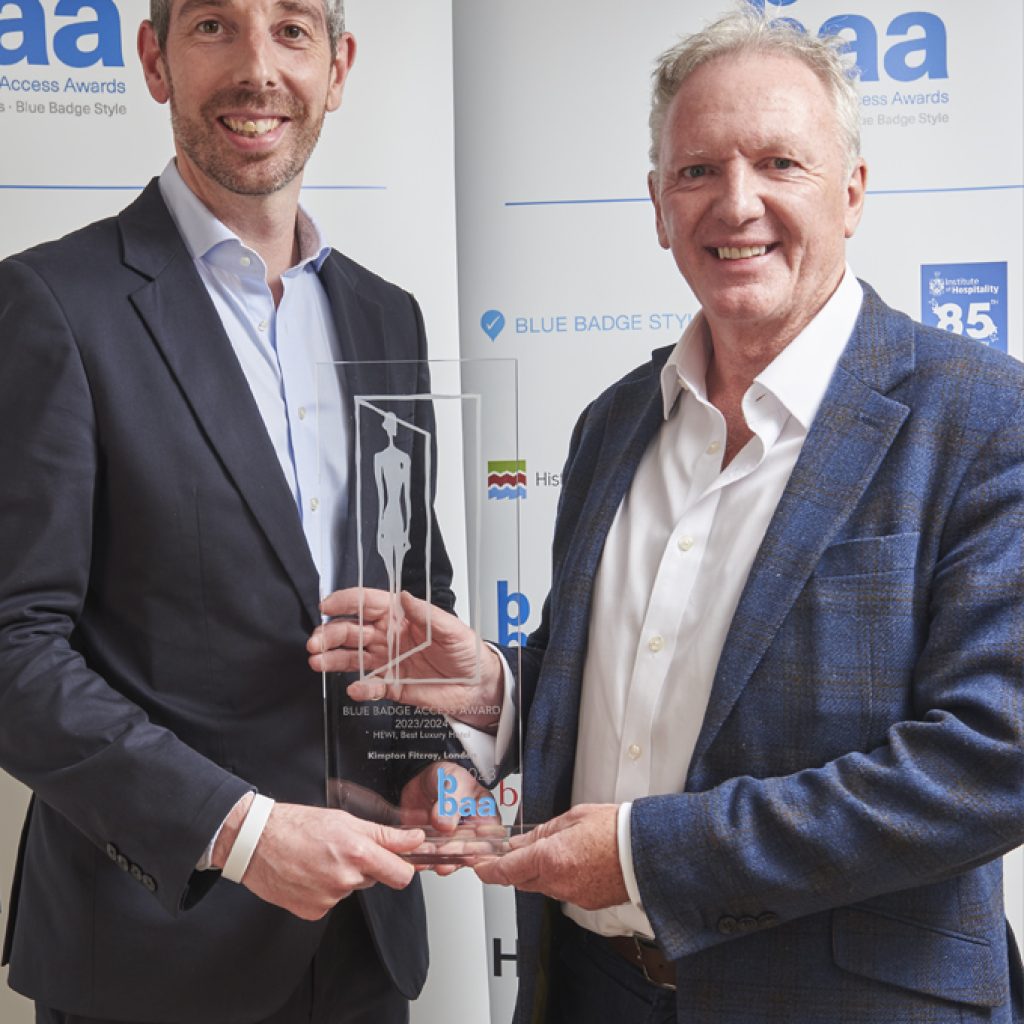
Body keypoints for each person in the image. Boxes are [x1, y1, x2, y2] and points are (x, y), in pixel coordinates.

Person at [315, 8, 1024, 1023]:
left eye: (780, 162)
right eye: (696, 171)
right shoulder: (616, 421)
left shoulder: (984, 418)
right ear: (656, 205)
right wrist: (498, 696)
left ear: (853, 192)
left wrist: (648, 853)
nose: (736, 204)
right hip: (593, 995)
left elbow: (990, 760)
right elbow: (623, 694)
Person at [0, 1, 477, 1022]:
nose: (258, 69)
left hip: (365, 934)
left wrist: (430, 760)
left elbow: (408, 596)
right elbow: (11, 648)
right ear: (154, 60)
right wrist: (241, 831)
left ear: (337, 68)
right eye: (215, 25)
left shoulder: (384, 315)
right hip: (151, 949)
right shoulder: (51, 304)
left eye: (293, 29)